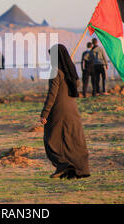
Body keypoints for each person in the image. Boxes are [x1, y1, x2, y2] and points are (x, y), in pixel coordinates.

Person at [40, 44, 90, 179]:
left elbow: (52, 94)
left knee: (51, 138)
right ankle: (78, 169)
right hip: (73, 109)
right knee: (73, 139)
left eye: (52, 56)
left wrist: (45, 113)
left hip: (59, 110)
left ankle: (63, 165)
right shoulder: (71, 71)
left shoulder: (55, 72)